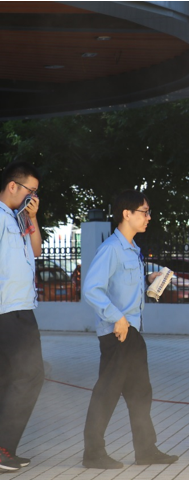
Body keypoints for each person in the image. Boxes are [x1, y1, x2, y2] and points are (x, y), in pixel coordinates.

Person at [82, 190, 178, 469]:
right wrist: (117, 317)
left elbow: (120, 285)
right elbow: (91, 289)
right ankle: (93, 453)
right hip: (117, 333)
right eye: (144, 211)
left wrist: (149, 279)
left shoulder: (132, 249)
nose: (149, 217)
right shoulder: (111, 248)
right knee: (106, 393)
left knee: (140, 393)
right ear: (127, 214)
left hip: (132, 332)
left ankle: (146, 450)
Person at [0, 162, 43, 472]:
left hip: (21, 308)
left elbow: (36, 251)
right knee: (30, 375)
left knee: (10, 378)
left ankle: (6, 449)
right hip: (8, 310)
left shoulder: (18, 220)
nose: (34, 197)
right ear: (13, 186)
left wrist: (33, 217)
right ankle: (3, 447)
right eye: (31, 191)